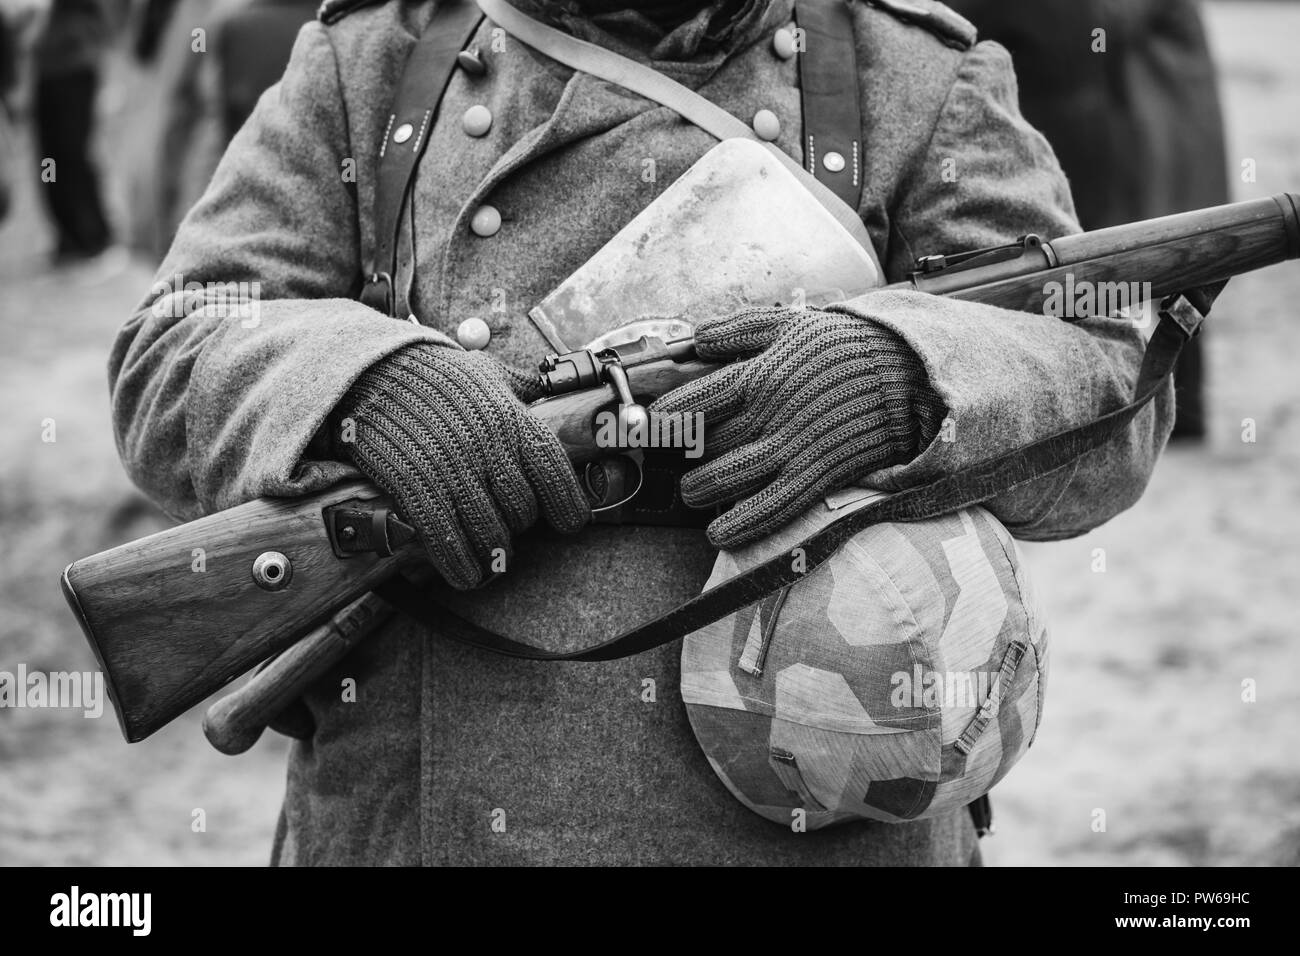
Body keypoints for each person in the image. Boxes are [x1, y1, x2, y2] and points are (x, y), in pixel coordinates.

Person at [108, 0, 1172, 865]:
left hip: (816, 785)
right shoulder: (375, 65)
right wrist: (363, 381)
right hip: (429, 804)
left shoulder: (910, 73)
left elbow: (1105, 373)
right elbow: (176, 344)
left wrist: (910, 372)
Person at [947, 0, 1229, 440]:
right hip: (1122, 132)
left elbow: (1106, 25)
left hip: (1141, 136)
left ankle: (1178, 409)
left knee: (1158, 267)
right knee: (1122, 272)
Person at [32, 0, 115, 262]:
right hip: (49, 68)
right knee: (50, 157)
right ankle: (67, 231)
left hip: (75, 66)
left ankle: (91, 233)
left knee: (72, 152)